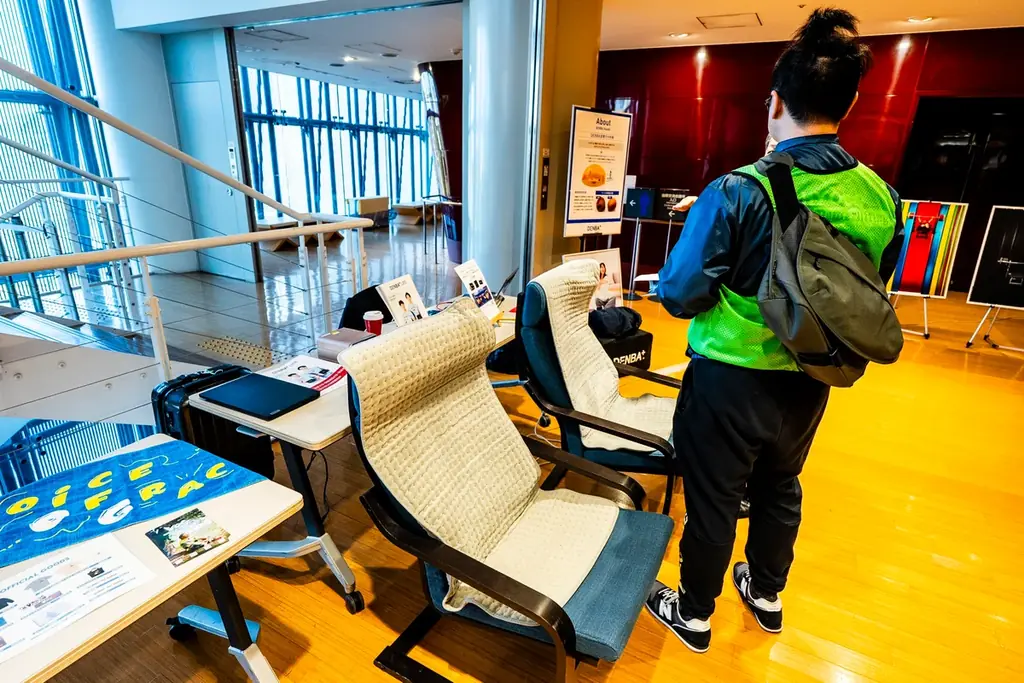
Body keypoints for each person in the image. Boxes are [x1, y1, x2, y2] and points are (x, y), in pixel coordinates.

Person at [645, 8, 904, 653]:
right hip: (813, 376)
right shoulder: (881, 196)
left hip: (729, 377)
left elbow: (680, 293)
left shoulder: (739, 189)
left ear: (776, 102)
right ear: (848, 104)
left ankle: (693, 614)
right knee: (780, 484)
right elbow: (869, 287)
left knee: (714, 496)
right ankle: (765, 595)